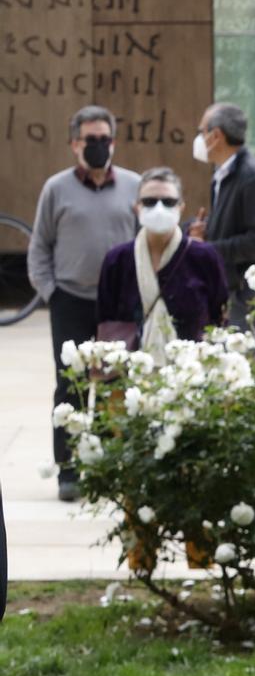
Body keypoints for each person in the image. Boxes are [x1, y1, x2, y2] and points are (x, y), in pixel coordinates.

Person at [27, 105, 139, 502]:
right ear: (75, 143)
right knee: (70, 388)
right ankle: (69, 471)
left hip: (118, 306)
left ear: (114, 142)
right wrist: (50, 292)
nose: (97, 146)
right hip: (70, 301)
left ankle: (108, 470)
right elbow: (40, 246)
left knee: (114, 390)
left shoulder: (133, 186)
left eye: (104, 139)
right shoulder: (55, 189)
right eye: (89, 140)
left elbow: (145, 245)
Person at [96, 168, 231, 354]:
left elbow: (219, 317)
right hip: (131, 372)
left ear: (181, 207)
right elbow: (106, 321)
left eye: (168, 202)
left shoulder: (204, 257)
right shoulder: (117, 260)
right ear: (137, 208)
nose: (159, 209)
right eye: (150, 202)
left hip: (192, 372)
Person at [187, 101, 255, 331]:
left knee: (245, 360)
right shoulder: (223, 173)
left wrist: (209, 250)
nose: (199, 139)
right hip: (229, 287)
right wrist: (206, 230)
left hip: (248, 293)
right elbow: (234, 225)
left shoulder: (254, 177)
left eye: (202, 132)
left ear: (216, 135)